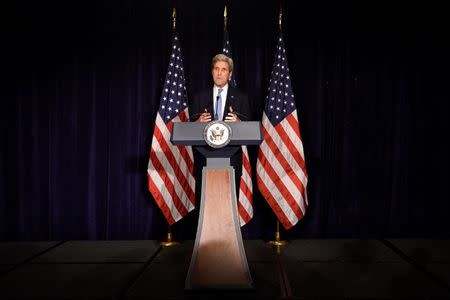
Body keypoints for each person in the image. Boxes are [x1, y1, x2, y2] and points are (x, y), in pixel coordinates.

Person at [189, 53, 252, 210]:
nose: (219, 73)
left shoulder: (241, 98)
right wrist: (197, 123)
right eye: (216, 69)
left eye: (223, 70)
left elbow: (249, 129)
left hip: (232, 158)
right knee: (205, 205)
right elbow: (189, 130)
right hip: (204, 158)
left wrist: (239, 123)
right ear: (212, 72)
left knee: (228, 205)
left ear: (230, 74)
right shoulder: (199, 97)